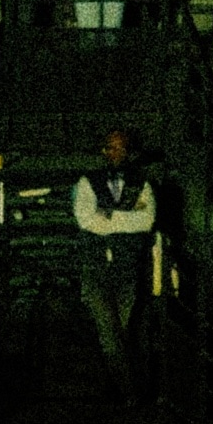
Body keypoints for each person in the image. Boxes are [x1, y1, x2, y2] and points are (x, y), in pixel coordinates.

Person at [72, 129, 157, 388]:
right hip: (96, 268)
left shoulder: (142, 183)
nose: (115, 153)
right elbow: (85, 219)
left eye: (121, 148)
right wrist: (125, 217)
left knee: (121, 328)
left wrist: (108, 216)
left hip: (128, 268)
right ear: (104, 150)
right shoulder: (87, 181)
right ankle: (129, 387)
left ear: (129, 151)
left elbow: (146, 221)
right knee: (109, 328)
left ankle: (118, 387)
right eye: (111, 147)